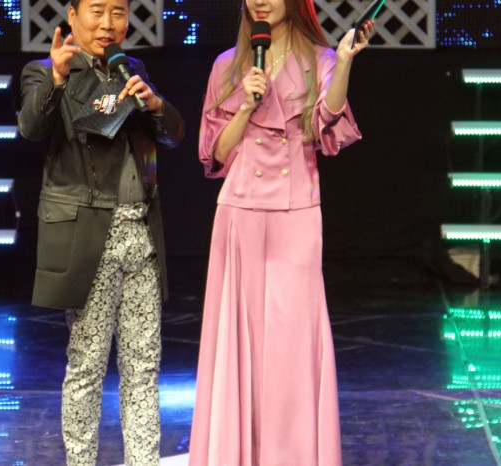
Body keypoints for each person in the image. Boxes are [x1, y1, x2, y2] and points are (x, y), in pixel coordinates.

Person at [189, 0, 372, 464]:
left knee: (292, 341)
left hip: (296, 213)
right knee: (239, 340)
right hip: (240, 211)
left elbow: (325, 123)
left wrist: (344, 62)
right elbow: (216, 155)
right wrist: (245, 108)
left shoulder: (320, 59)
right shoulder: (227, 65)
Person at [17, 0, 184, 464]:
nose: (108, 24)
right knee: (87, 366)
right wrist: (56, 77)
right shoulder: (45, 71)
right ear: (72, 16)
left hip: (140, 232)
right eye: (97, 11)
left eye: (118, 12)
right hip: (89, 235)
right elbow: (31, 127)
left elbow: (171, 134)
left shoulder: (132, 69)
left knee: (143, 366)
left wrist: (154, 104)